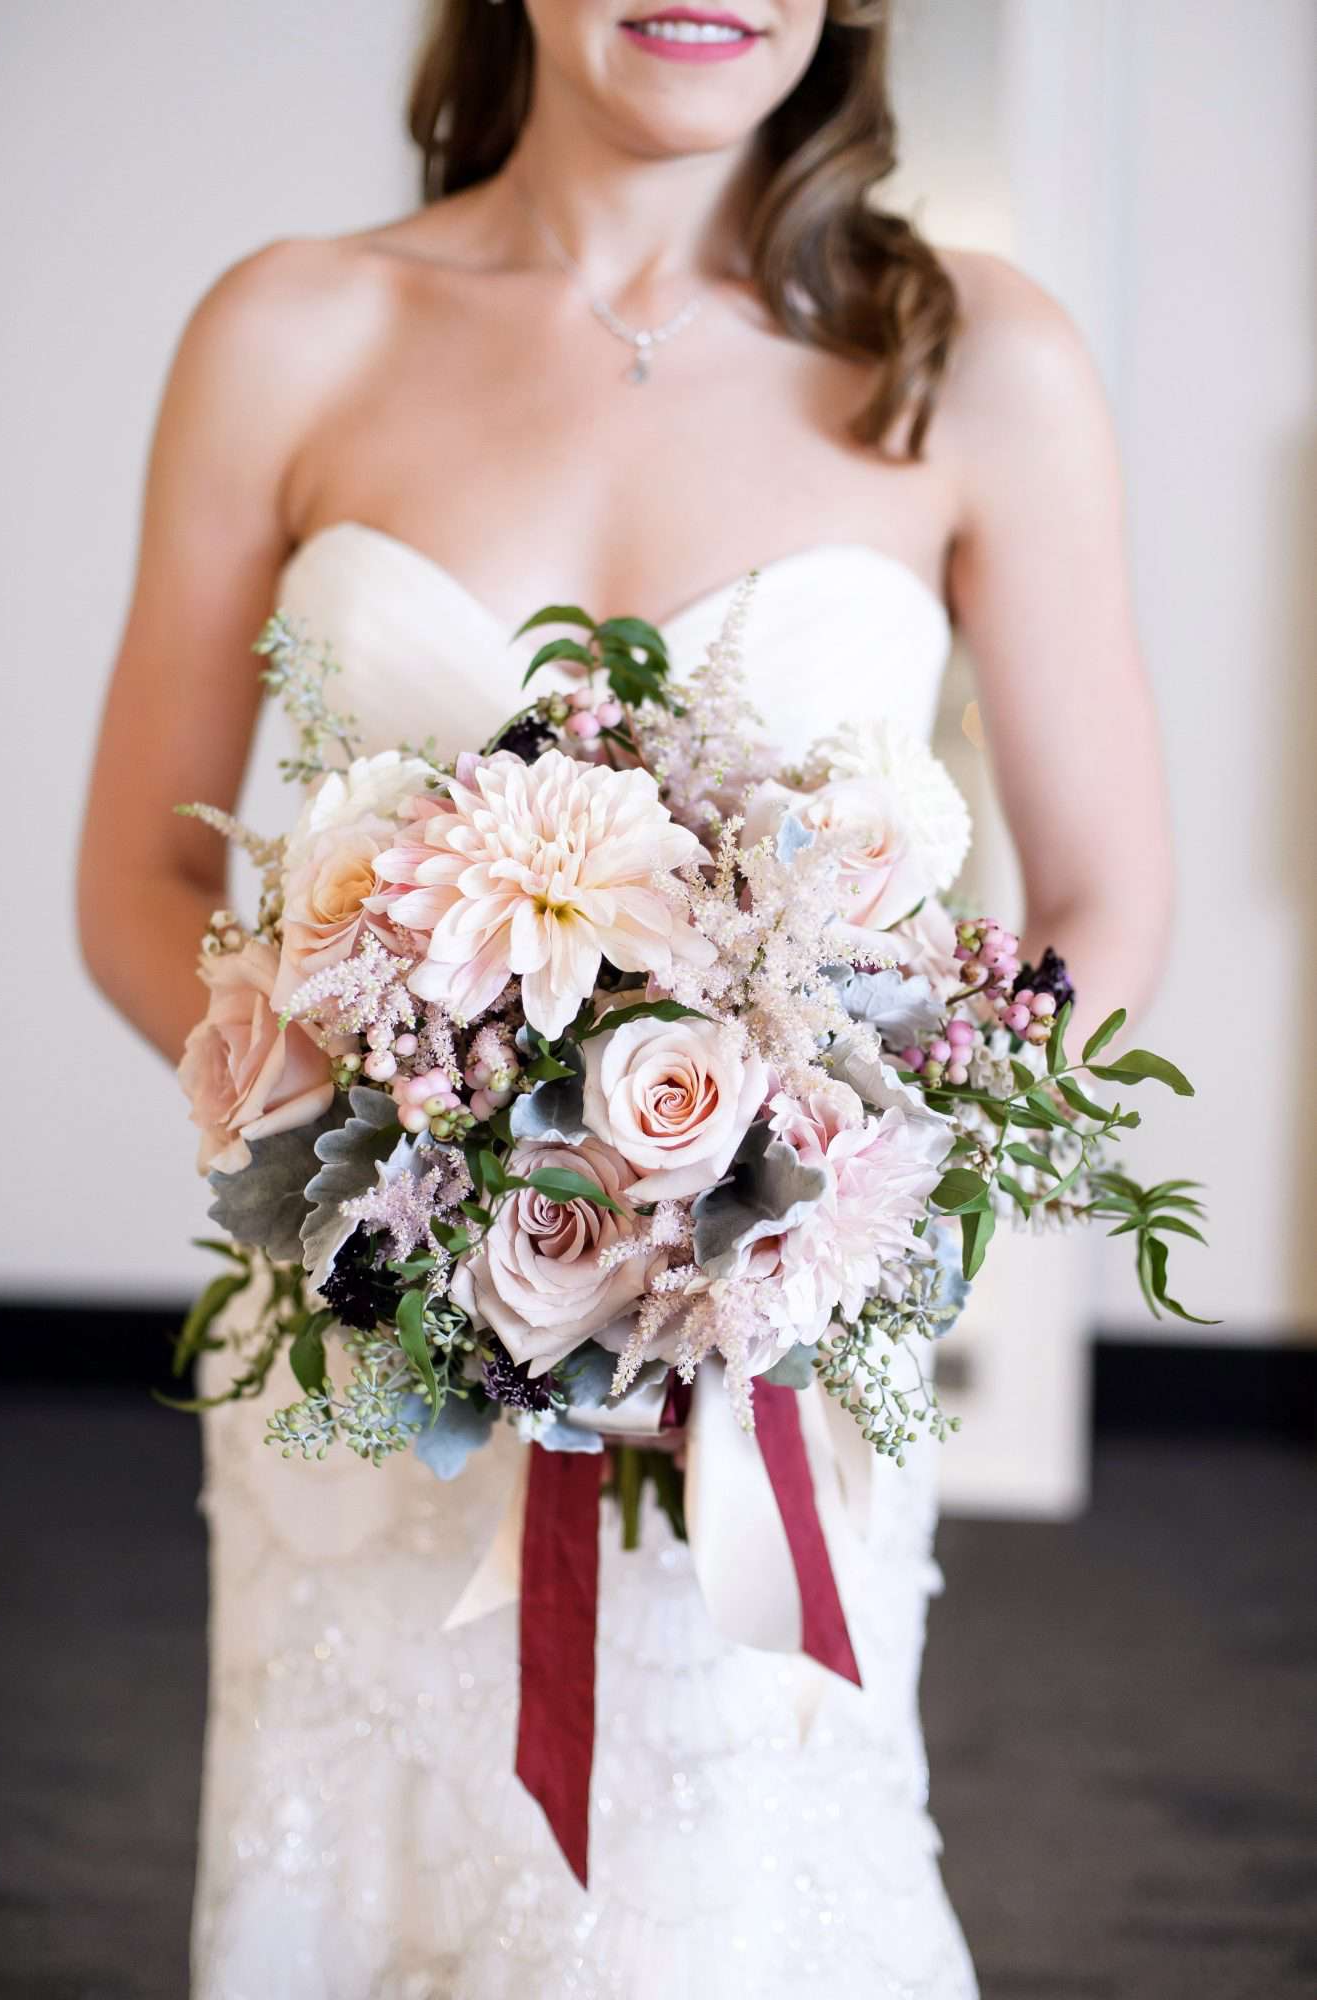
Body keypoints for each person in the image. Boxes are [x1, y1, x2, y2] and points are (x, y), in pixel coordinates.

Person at [79, 2, 1172, 1993]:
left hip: (769, 1366)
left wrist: (806, 1211)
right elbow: (135, 884)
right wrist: (382, 1161)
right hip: (367, 1337)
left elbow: (1105, 902)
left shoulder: (977, 357)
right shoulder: (289, 331)